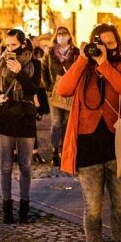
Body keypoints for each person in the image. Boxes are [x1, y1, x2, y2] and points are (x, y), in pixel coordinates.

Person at [56, 23, 121, 242]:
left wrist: (104, 63)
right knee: (92, 208)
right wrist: (83, 59)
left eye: (110, 42)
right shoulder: (84, 65)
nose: (105, 47)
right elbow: (63, 89)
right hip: (89, 147)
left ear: (117, 42)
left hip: (119, 146)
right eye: (100, 42)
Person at [0, 29, 40, 224]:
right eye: (7, 45)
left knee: (25, 166)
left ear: (23, 44)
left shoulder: (35, 64)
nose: (9, 49)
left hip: (25, 119)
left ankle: (24, 208)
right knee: (6, 167)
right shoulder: (0, 63)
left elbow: (33, 89)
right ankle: (6, 208)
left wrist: (20, 72)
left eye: (13, 45)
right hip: (5, 118)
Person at [43, 26, 80, 167]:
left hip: (71, 92)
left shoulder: (76, 53)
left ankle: (65, 151)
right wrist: (47, 87)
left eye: (64, 34)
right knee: (56, 122)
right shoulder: (50, 52)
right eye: (59, 34)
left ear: (70, 36)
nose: (61, 36)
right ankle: (54, 150)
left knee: (67, 122)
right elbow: (44, 69)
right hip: (55, 91)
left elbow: (79, 70)